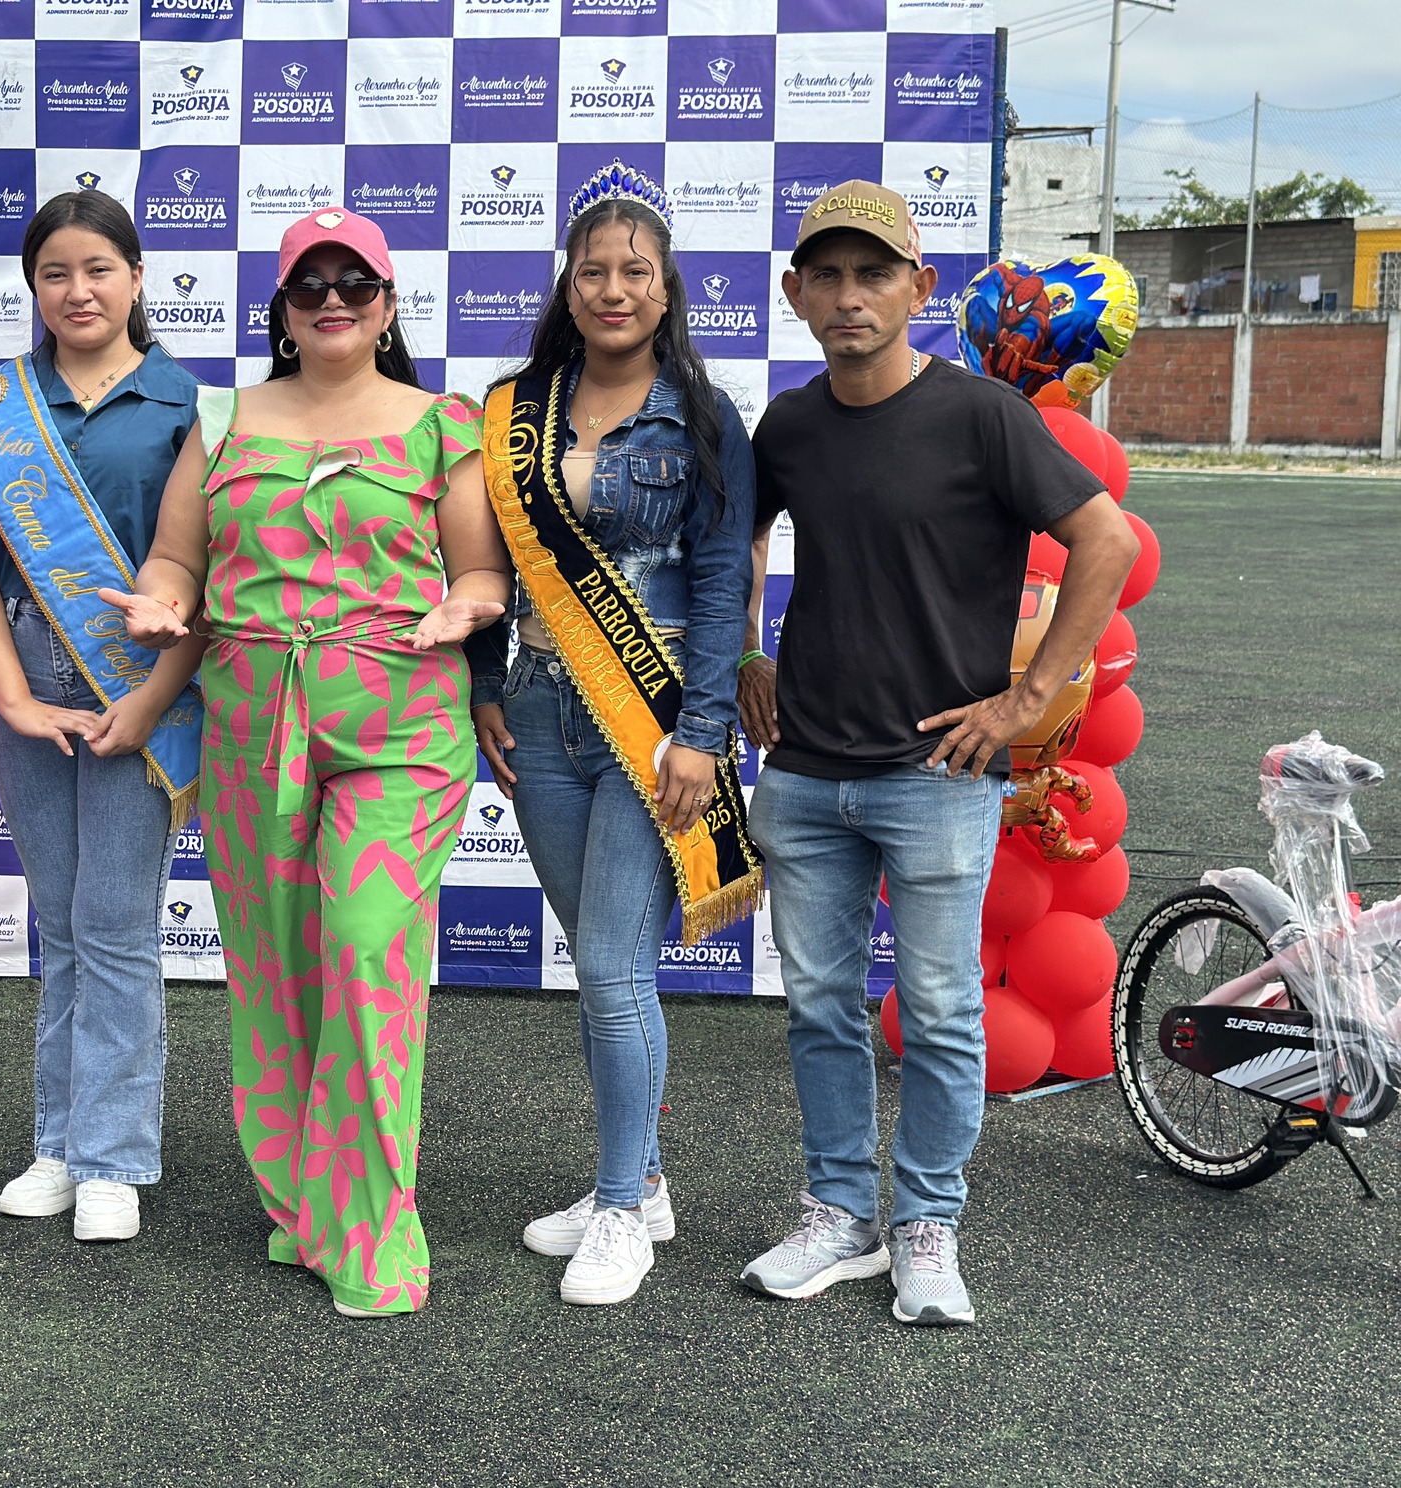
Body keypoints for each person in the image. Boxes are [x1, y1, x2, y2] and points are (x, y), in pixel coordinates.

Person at [739, 182, 1138, 1325]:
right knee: (820, 1010)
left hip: (938, 778)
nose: (849, 297)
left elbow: (1102, 541)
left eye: (873, 275)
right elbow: (738, 540)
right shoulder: (789, 425)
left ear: (917, 289)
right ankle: (836, 1215)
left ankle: (924, 1225)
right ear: (794, 293)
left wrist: (1026, 700)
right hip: (804, 772)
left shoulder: (980, 416)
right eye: (826, 275)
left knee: (942, 1013)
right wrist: (745, 655)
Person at [109, 207, 511, 1316]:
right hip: (253, 722)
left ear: (388, 305)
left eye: (355, 283)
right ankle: (304, 1202)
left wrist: (466, 607)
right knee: (276, 969)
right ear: (282, 311)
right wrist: (160, 602)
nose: (333, 300)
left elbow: (481, 571)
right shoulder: (223, 419)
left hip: (400, 721)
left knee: (367, 950)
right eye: (309, 285)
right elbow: (176, 559)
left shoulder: (442, 426)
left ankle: (371, 1233)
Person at [466, 163, 759, 1307]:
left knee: (608, 968)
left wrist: (701, 731)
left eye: (634, 269)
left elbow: (725, 579)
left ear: (665, 284)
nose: (612, 288)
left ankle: (622, 1211)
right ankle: (636, 1180)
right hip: (539, 710)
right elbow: (483, 566)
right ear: (567, 284)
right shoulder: (514, 411)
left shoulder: (703, 415)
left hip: (652, 721)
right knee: (599, 964)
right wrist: (484, 683)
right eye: (592, 270)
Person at [0, 189, 203, 1243]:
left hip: (147, 681)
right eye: (55, 273)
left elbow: (207, 574)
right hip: (26, 676)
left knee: (116, 924)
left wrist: (148, 701)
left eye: (99, 269)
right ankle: (59, 1142)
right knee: (60, 920)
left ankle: (112, 1157)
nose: (78, 290)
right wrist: (7, 694)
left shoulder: (190, 405)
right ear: (33, 287)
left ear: (136, 278)